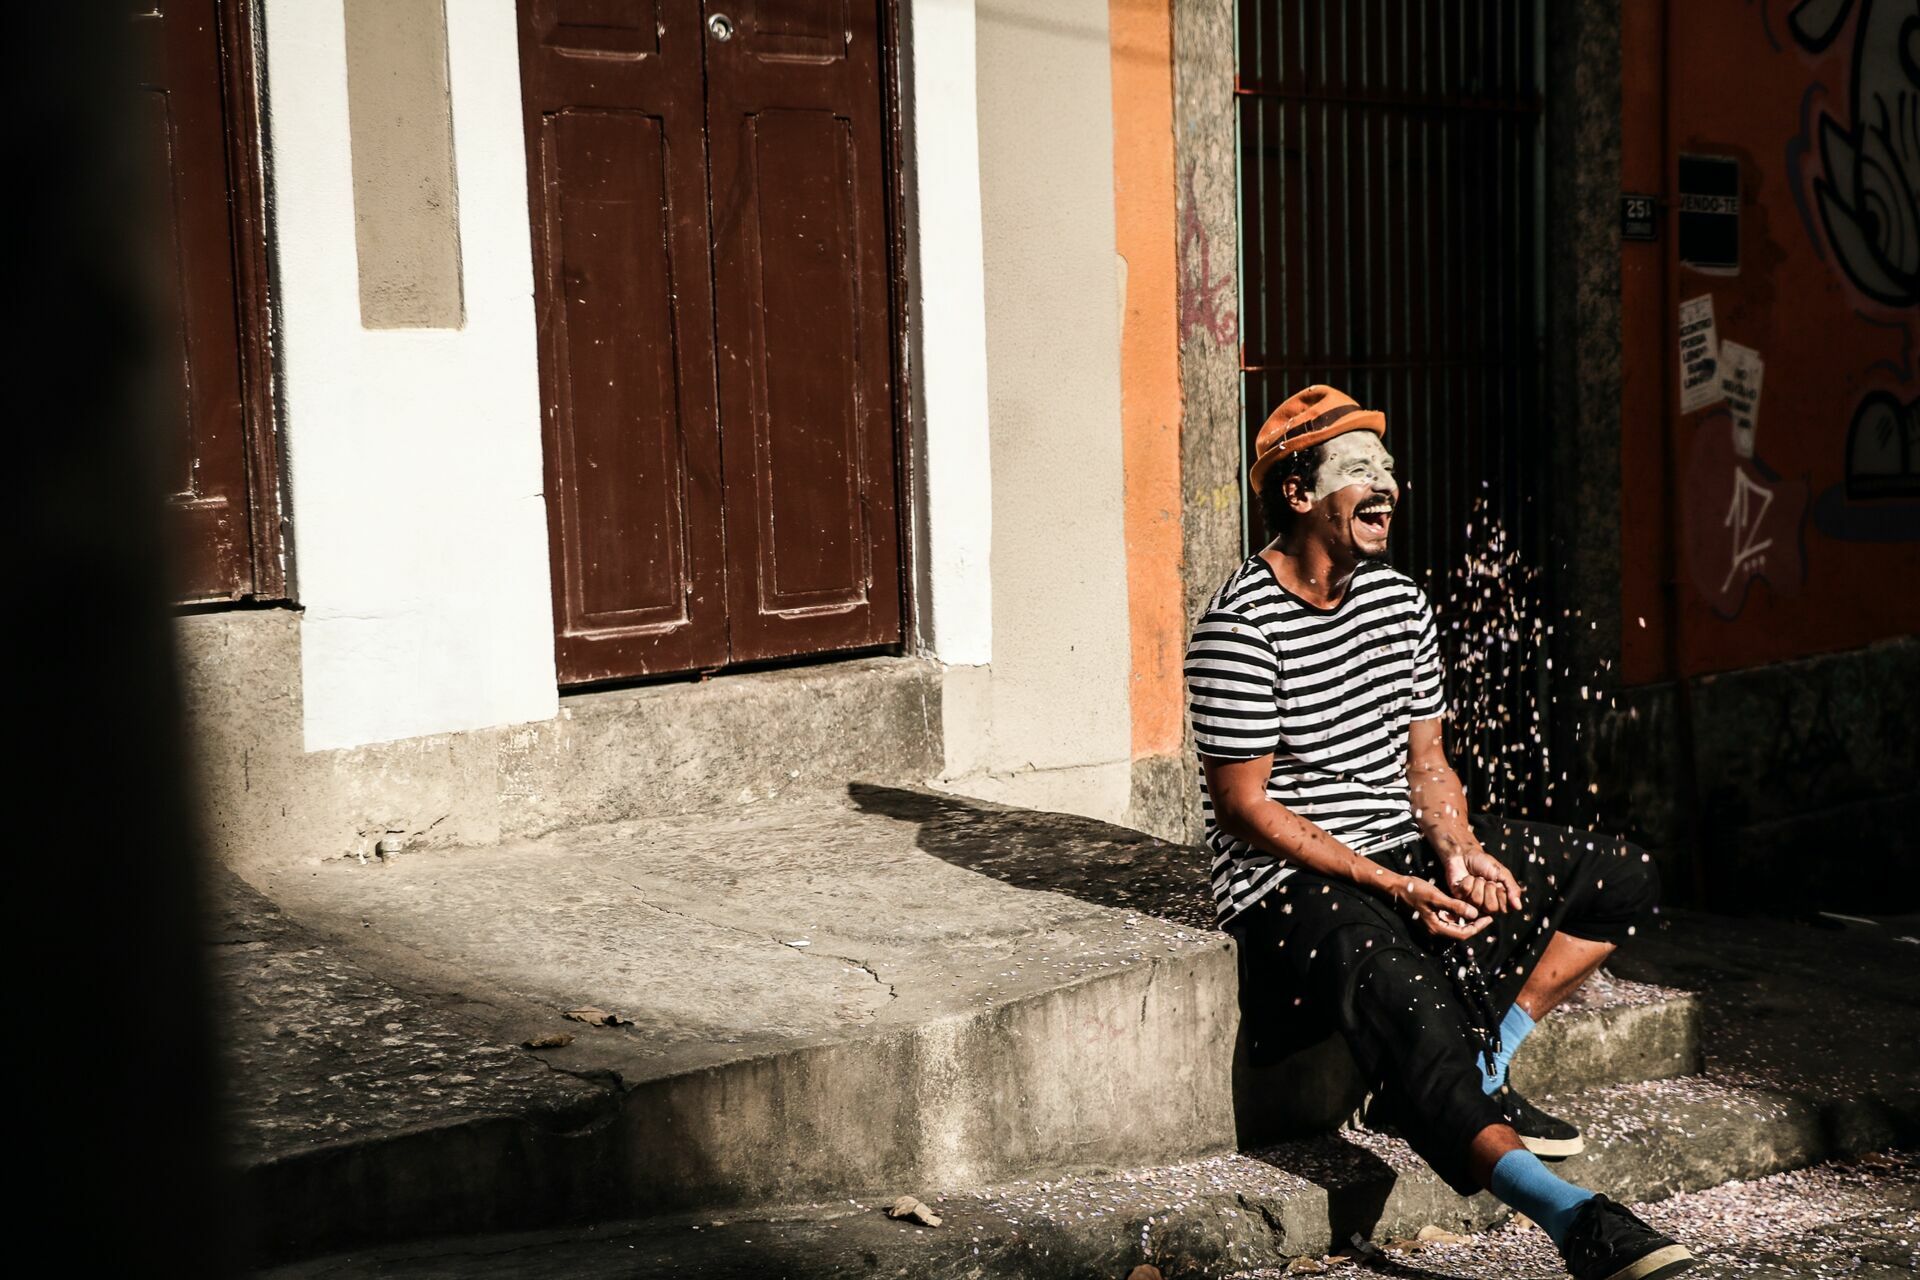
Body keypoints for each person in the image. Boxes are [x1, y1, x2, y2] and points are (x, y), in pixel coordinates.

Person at [1185, 386, 1697, 1280]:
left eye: (1388, 469)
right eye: (1359, 471)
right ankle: (1578, 1221)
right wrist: (1392, 884)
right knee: (1417, 1013)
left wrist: (1457, 845)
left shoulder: (1399, 601)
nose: (1387, 486)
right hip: (1287, 881)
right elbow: (1245, 809)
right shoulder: (1238, 626)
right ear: (1299, 495)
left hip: (1398, 844)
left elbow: (1427, 761)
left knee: (1621, 876)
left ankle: (1488, 1059)